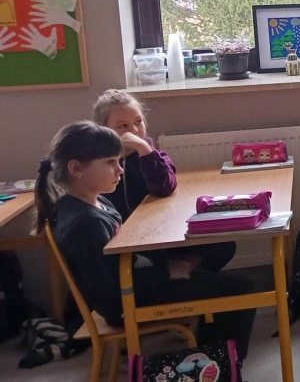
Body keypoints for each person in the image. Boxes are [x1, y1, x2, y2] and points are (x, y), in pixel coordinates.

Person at [34, 122, 256, 362]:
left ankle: (208, 352)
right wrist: (168, 273)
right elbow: (109, 289)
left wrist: (168, 264)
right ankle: (217, 364)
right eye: (110, 162)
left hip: (134, 284)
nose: (119, 170)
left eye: (119, 161)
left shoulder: (93, 203)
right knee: (242, 288)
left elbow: (121, 258)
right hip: (124, 304)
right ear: (76, 168)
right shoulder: (86, 223)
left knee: (216, 255)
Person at [92, 89, 236, 272]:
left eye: (138, 122)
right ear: (103, 130)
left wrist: (145, 151)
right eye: (123, 126)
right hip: (132, 240)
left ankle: (183, 270)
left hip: (161, 228)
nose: (134, 130)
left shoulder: (152, 154)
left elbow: (165, 187)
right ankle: (173, 273)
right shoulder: (99, 164)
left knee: (224, 246)